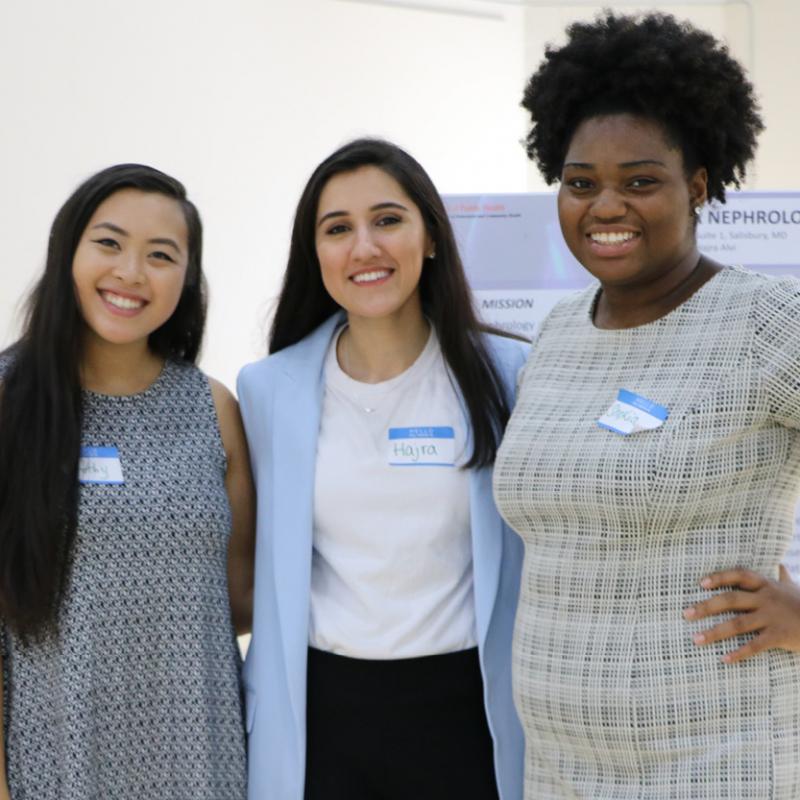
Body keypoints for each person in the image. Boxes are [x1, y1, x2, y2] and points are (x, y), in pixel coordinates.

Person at [493, 11, 800, 799]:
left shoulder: (765, 323)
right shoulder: (557, 335)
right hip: (561, 767)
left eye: (640, 181)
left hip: (720, 759)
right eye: (580, 183)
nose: (605, 206)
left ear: (697, 186)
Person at [237, 138, 527, 800]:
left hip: (469, 711)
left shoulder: (509, 377)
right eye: (338, 229)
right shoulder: (266, 390)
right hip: (323, 718)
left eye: (388, 220)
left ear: (430, 238)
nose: (364, 246)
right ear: (316, 254)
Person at [0, 164, 255, 800]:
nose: (131, 273)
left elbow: (243, 597)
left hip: (203, 760)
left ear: (187, 279)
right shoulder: (10, 399)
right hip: (57, 762)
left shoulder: (213, 407)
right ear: (68, 253)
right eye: (109, 243)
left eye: (161, 255)